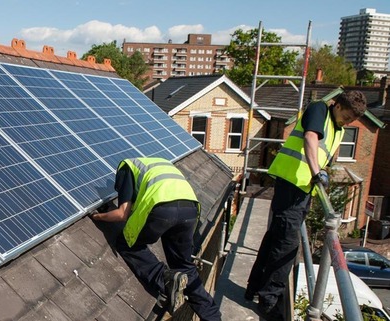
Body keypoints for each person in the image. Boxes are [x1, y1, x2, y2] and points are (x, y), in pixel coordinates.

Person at [245, 90, 367, 319]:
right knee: (287, 246)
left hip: (302, 190)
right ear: (338, 106)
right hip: (292, 185)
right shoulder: (319, 109)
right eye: (347, 117)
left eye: (352, 121)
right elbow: (311, 137)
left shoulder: (337, 128)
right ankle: (269, 301)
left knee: (276, 239)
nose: (348, 122)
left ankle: (255, 288)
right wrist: (317, 172)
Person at [90, 157, 221, 321]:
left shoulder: (125, 168)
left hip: (162, 208)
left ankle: (165, 279)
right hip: (190, 209)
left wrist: (98, 216)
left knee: (128, 244)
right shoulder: (157, 163)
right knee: (184, 266)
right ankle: (212, 316)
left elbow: (122, 213)